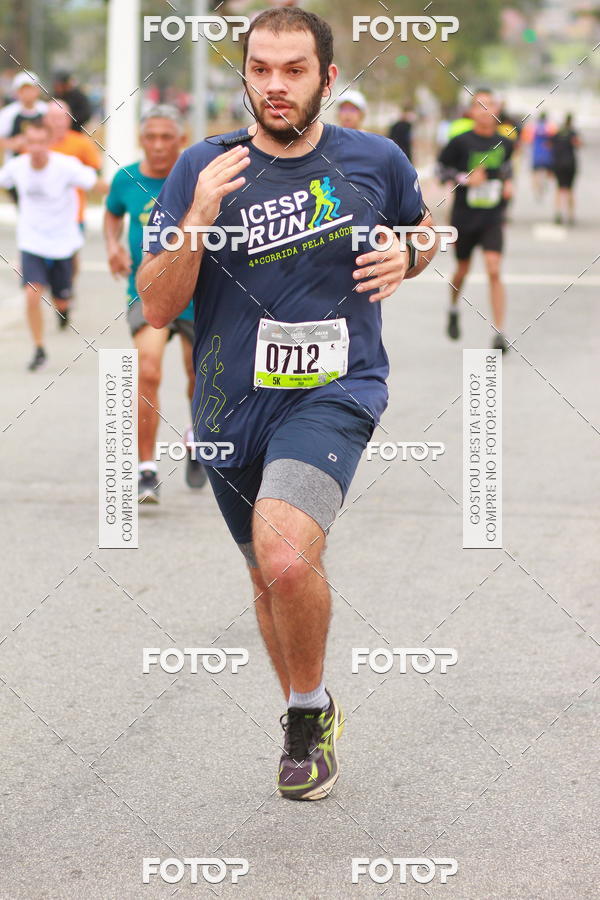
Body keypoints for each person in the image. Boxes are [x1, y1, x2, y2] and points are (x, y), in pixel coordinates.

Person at [137, 6, 439, 800]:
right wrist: (197, 218)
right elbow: (158, 304)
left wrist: (409, 253)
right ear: (244, 75)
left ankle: (305, 719)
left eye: (293, 70)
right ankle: (307, 703)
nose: (275, 86)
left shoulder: (373, 159)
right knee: (269, 575)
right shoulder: (202, 168)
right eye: (261, 70)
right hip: (227, 405)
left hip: (336, 391)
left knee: (285, 554)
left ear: (327, 78)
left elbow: (423, 226)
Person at [103, 106, 207, 503]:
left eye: (168, 136)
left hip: (195, 294)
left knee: (196, 375)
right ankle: (146, 469)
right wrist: (112, 246)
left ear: (180, 139)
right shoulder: (125, 178)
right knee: (147, 370)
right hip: (144, 292)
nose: (159, 144)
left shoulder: (196, 178)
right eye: (152, 137)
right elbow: (112, 215)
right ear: (141, 139)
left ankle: (197, 437)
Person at [0, 121, 98, 370]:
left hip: (63, 242)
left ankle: (63, 309)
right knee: (32, 294)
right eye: (30, 142)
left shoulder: (65, 166)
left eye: (41, 142)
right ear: (24, 144)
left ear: (48, 143)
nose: (36, 148)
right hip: (32, 241)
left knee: (61, 300)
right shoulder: (16, 167)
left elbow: (93, 182)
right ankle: (39, 348)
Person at [438, 88, 514, 351]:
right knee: (462, 270)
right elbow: (441, 170)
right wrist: (466, 179)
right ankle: (453, 307)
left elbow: (506, 169)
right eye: (480, 105)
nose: (487, 110)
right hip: (464, 217)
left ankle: (499, 332)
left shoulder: (506, 143)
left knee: (494, 268)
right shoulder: (460, 142)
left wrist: (508, 183)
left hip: (492, 217)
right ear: (471, 112)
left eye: (491, 104)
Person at [46, 101, 104, 304]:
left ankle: (66, 288)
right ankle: (58, 291)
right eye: (53, 118)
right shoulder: (38, 144)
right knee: (47, 258)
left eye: (62, 118)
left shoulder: (80, 143)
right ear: (46, 120)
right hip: (44, 214)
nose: (58, 123)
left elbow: (96, 169)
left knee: (70, 256)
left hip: (73, 213)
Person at [0, 72, 47, 161]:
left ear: (37, 90)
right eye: (23, 90)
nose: (27, 93)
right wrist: (12, 144)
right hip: (15, 162)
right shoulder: (7, 113)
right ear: (17, 92)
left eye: (30, 89)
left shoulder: (46, 110)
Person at [551, 114, 580, 226]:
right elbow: (578, 143)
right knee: (570, 189)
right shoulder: (572, 133)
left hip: (558, 164)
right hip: (570, 164)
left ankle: (558, 212)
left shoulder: (558, 133)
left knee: (559, 189)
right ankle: (570, 214)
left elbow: (550, 144)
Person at [531, 112, 554, 201]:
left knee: (535, 174)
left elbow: (529, 139)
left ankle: (536, 189)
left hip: (536, 154)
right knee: (546, 172)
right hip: (546, 154)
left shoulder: (534, 128)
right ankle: (544, 185)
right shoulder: (550, 128)